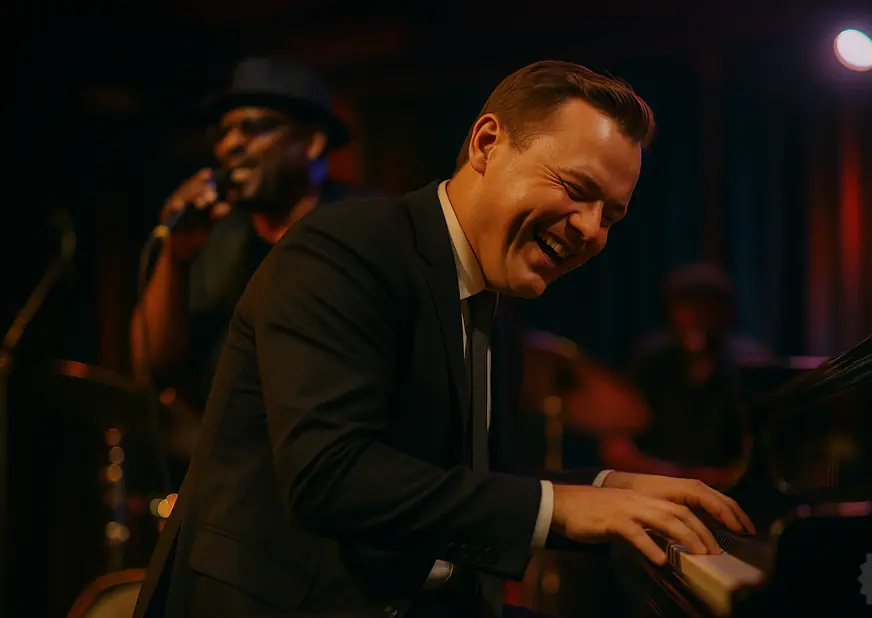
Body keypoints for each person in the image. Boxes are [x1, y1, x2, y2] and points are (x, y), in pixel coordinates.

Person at [132, 60, 755, 618]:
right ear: (487, 143)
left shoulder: (491, 300)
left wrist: (604, 487)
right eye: (575, 189)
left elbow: (463, 482)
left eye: (611, 215)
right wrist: (562, 506)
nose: (591, 230)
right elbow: (331, 477)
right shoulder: (345, 248)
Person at [130, 57, 364, 477]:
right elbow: (150, 366)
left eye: (253, 127)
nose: (229, 145)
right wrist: (175, 256)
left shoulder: (363, 227)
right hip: (226, 480)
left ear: (312, 142)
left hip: (327, 474)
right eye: (222, 132)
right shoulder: (217, 238)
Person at [599, 262, 771, 488]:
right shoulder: (649, 360)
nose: (696, 316)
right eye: (687, 305)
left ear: (725, 312)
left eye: (707, 306)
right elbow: (615, 445)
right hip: (654, 489)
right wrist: (670, 477)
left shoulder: (749, 364)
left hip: (727, 494)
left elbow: (763, 453)